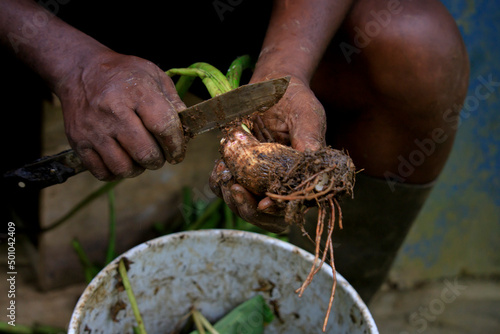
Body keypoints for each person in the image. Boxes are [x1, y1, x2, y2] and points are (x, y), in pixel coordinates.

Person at [0, 0, 469, 302]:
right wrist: (71, 63)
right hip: (60, 26)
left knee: (419, 50)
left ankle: (322, 299)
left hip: (264, 17)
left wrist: (285, 68)